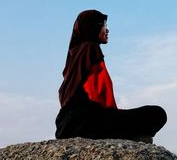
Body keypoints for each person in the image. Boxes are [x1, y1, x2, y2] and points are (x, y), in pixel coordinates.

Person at [55, 10, 167, 143]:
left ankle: (128, 134)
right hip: (86, 124)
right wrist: (119, 117)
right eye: (103, 26)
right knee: (157, 114)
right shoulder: (91, 48)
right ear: (92, 27)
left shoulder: (75, 55)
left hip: (65, 126)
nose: (107, 30)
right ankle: (129, 136)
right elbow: (97, 94)